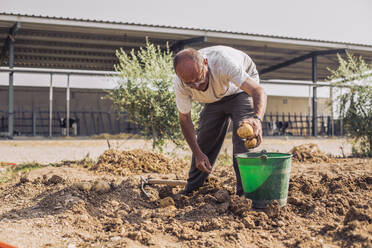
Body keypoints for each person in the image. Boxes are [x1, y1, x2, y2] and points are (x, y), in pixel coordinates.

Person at [173, 45, 267, 195]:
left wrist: (257, 119)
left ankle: (246, 194)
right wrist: (197, 153)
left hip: (240, 90)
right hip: (215, 98)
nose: (196, 86)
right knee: (203, 141)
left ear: (205, 63)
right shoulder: (180, 83)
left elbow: (258, 91)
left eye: (198, 79)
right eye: (190, 83)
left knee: (244, 137)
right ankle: (192, 190)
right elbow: (184, 119)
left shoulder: (224, 63)